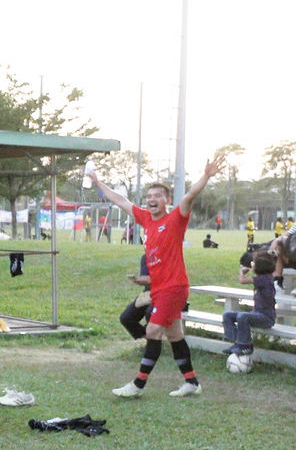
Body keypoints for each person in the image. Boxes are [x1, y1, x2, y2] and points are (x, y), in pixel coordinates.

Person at [88, 154, 225, 398]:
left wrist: (206, 176)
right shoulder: (145, 220)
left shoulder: (175, 218)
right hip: (159, 288)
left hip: (174, 287)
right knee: (174, 334)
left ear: (167, 201)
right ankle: (191, 382)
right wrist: (98, 183)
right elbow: (120, 200)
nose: (152, 200)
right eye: (149, 196)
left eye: (158, 196)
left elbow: (190, 196)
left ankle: (138, 385)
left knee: (152, 331)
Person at [221, 251, 277, 364]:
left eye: (253, 263)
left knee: (242, 316)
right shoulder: (262, 278)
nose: (251, 265)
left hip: (266, 318)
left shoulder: (265, 279)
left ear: (259, 267)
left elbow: (242, 280)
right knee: (227, 315)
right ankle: (237, 343)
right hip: (257, 314)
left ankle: (245, 346)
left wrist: (242, 272)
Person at [119, 255, 153, 340]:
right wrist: (139, 280)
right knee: (126, 317)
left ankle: (153, 341)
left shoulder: (167, 256)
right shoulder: (146, 257)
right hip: (149, 293)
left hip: (165, 293)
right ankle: (147, 337)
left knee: (150, 313)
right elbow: (146, 279)